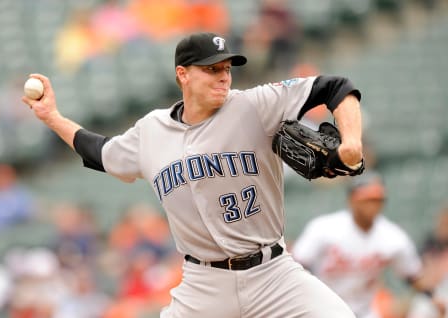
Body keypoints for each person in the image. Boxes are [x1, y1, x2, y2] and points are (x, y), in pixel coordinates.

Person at [22, 32, 364, 317]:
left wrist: (351, 144)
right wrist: (52, 116)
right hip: (204, 285)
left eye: (227, 68)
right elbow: (99, 152)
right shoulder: (151, 131)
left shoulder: (255, 105)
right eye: (212, 69)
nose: (224, 77)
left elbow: (335, 87)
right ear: (183, 74)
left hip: (272, 274)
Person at [291, 171, 446, 318]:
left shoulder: (393, 237)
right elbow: (298, 264)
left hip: (364, 310)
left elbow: (412, 275)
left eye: (376, 200)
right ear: (352, 200)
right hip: (323, 307)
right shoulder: (324, 228)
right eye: (367, 199)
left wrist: (432, 297)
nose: (372, 205)